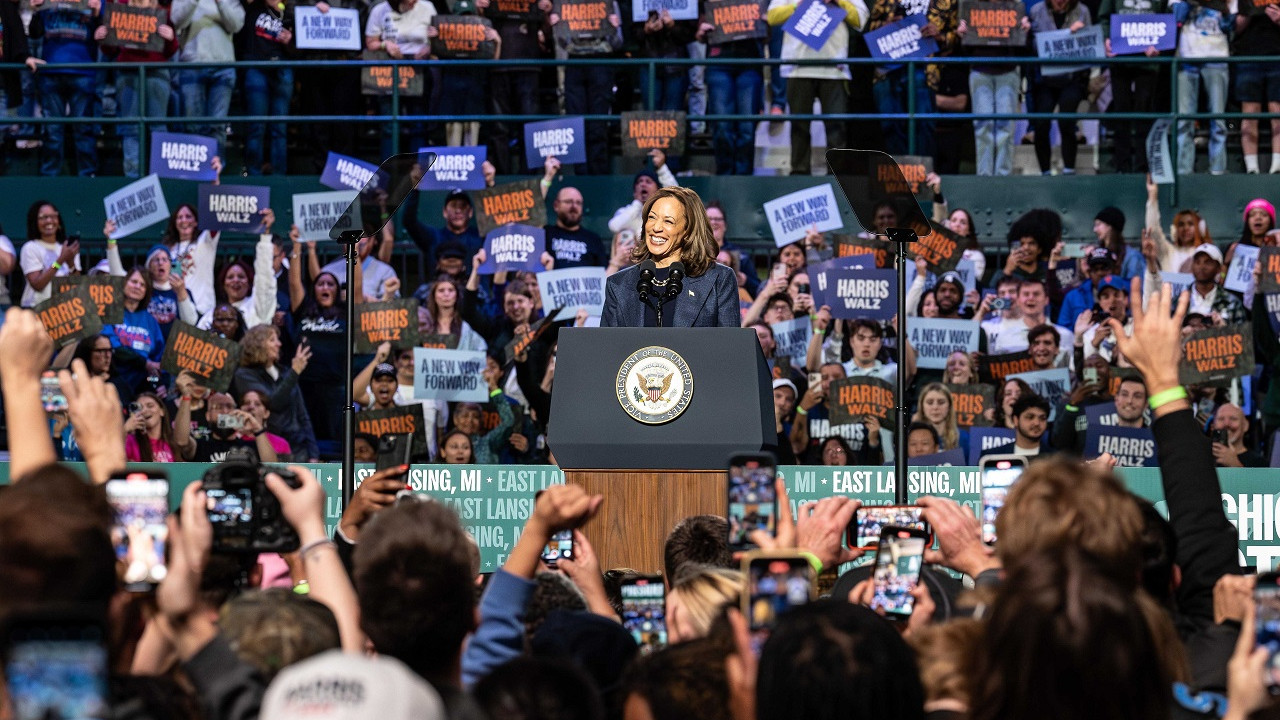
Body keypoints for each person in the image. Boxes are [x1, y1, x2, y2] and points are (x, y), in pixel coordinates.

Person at [601, 186, 740, 328]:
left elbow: (730, 346)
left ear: (688, 230)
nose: (656, 227)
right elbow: (607, 347)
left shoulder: (718, 279)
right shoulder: (618, 284)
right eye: (652, 218)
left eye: (668, 221)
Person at [99, 0, 176, 178]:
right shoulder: (121, 8)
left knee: (157, 127)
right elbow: (110, 50)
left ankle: (162, 176)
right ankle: (133, 178)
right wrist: (104, 38)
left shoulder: (163, 10)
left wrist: (171, 38)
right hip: (128, 73)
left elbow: (171, 50)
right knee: (131, 128)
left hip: (156, 73)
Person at [28, 0, 99, 177]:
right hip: (51, 69)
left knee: (83, 130)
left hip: (82, 70)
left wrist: (98, 14)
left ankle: (88, 177)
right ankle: (49, 180)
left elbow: (104, 34)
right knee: (52, 132)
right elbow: (35, 33)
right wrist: (35, 11)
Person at [230, 324, 320, 461]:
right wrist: (294, 372)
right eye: (272, 340)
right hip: (269, 445)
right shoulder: (245, 375)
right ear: (257, 344)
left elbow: (303, 415)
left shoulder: (285, 372)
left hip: (298, 447)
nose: (279, 344)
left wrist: (314, 454)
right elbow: (273, 403)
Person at [1027, 0, 1091, 175]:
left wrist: (1081, 34)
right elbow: (1030, 45)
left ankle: (1069, 170)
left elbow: (1090, 45)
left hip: (1071, 78)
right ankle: (1045, 172)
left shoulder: (1082, 11)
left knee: (1066, 121)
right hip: (1044, 79)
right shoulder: (1035, 11)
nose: (1060, 2)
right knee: (1041, 124)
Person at [364, 0, 435, 158]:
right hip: (389, 68)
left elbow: (437, 37)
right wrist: (385, 45)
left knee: (418, 122)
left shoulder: (427, 7)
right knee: (389, 124)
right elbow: (370, 43)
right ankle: (390, 173)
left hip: (418, 66)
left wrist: (428, 48)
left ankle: (418, 172)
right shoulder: (379, 10)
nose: (413, 3)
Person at [172, 0, 244, 155]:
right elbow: (176, 21)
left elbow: (236, 25)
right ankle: (195, 173)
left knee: (217, 125)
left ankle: (214, 174)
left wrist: (221, 2)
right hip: (192, 65)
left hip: (223, 66)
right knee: (192, 124)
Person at [238, 0, 293, 175]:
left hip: (282, 69)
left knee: (280, 128)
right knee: (256, 127)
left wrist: (291, 41)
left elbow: (301, 48)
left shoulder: (291, 11)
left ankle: (279, 176)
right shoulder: (253, 6)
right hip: (256, 68)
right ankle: (254, 175)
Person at [1231, 1, 1280, 175]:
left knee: (1277, 111)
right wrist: (1247, 13)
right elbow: (1232, 27)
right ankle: (1252, 168)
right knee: (1250, 111)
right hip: (1247, 56)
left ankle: (1277, 165)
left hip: (1277, 56)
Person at [19, 200, 80, 307]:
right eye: (43, 217)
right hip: (35, 310)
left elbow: (76, 284)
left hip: (63, 312)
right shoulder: (30, 248)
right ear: (35, 222)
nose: (49, 221)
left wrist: (71, 263)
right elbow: (38, 284)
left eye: (53, 216)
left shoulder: (67, 248)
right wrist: (60, 260)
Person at [608, 157, 680, 241]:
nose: (642, 184)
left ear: (657, 190)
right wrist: (637, 203)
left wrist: (662, 169)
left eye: (648, 182)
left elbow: (676, 196)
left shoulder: (664, 212)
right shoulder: (625, 211)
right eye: (639, 182)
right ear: (634, 192)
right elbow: (614, 226)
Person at [546, 186, 607, 269]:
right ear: (556, 205)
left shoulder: (593, 240)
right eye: (568, 202)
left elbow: (603, 275)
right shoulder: (545, 234)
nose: (574, 207)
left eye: (578, 203)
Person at [981, 392, 1051, 458]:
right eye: (1030, 417)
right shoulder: (989, 456)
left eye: (1042, 418)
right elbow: (972, 470)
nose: (1036, 423)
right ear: (1015, 420)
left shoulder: (1057, 460)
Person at [912, 383, 968, 453]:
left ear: (949, 406)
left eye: (941, 402)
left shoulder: (963, 438)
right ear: (922, 407)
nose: (935, 407)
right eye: (930, 402)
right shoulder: (910, 439)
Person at [123, 391, 176, 462]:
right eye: (139, 408)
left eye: (150, 406)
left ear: (162, 411)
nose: (144, 410)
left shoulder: (173, 441)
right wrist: (125, 429)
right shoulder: (130, 441)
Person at [1210, 403, 1265, 468]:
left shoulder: (1260, 464)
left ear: (1245, 425)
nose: (1226, 424)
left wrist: (1235, 465)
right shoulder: (1200, 458)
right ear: (1213, 427)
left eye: (1233, 419)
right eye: (1221, 419)